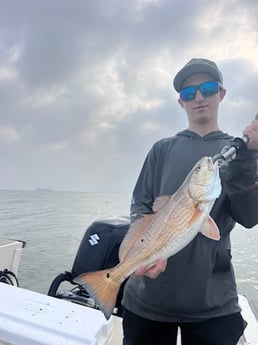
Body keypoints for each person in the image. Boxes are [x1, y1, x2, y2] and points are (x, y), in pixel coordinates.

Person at [121, 58, 258, 345]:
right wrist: (147, 250)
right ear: (180, 102)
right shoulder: (161, 150)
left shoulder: (238, 151)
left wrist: (248, 157)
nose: (198, 97)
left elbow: (249, 216)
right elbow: (140, 206)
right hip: (148, 297)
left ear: (221, 94)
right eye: (188, 93)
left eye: (207, 88)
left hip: (213, 303)